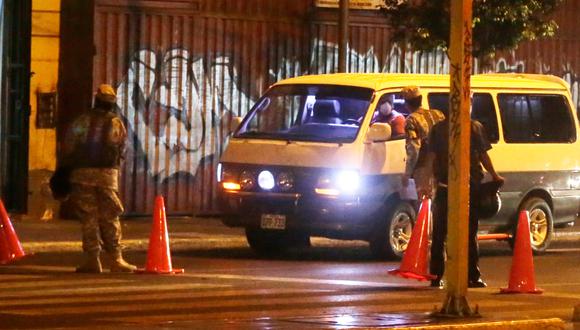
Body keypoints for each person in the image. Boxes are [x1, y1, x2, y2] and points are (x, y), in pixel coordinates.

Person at [420, 118, 505, 288]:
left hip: (445, 186)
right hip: (469, 187)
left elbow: (431, 158)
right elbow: (483, 155)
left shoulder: (438, 128)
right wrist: (495, 175)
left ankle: (436, 276)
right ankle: (472, 276)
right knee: (469, 231)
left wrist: (426, 182)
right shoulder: (473, 126)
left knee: (439, 233)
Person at [62, 84, 137, 273]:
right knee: (110, 216)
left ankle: (92, 259)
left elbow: (69, 146)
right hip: (106, 176)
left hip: (82, 175)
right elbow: (123, 148)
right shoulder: (115, 122)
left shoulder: (82, 120)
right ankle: (116, 259)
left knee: (88, 218)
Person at [401, 86, 445, 189]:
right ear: (420, 99)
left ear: (406, 104)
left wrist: (407, 174)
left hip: (423, 168)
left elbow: (414, 150)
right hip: (443, 166)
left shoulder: (411, 120)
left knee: (423, 200)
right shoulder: (438, 114)